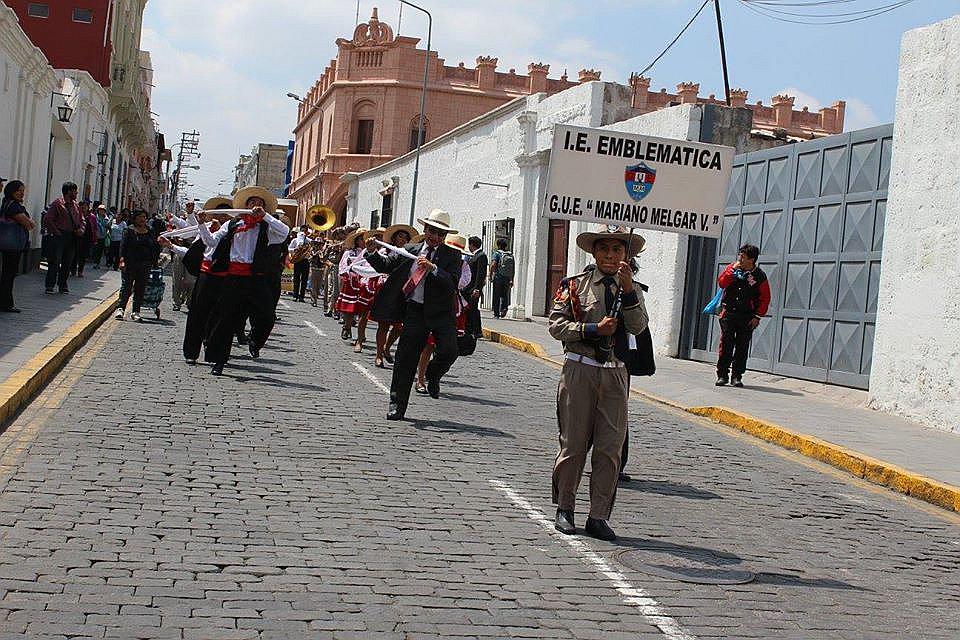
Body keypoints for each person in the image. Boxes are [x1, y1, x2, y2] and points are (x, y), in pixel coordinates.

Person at [549, 228, 648, 542]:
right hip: (580, 371)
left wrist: (629, 291)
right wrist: (593, 328)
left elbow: (638, 326)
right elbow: (556, 325)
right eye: (604, 249)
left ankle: (599, 515)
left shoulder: (632, 288)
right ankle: (565, 507)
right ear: (594, 253)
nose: (610, 255)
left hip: (616, 374)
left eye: (617, 250)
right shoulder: (575, 286)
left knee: (609, 449)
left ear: (626, 255)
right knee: (574, 443)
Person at [364, 209, 463, 421]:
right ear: (425, 230)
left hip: (441, 312)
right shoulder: (409, 249)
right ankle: (397, 404)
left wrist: (433, 268)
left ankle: (433, 374)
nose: (436, 237)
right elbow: (386, 266)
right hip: (415, 310)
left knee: (449, 350)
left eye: (440, 234)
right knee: (405, 359)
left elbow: (452, 282)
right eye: (432, 231)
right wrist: (372, 252)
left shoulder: (452, 255)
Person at [201, 186, 290, 375]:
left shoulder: (267, 227)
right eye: (252, 203)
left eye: (259, 203)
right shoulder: (233, 224)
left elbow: (285, 231)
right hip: (233, 278)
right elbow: (211, 241)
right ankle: (219, 361)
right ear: (245, 205)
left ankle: (255, 341)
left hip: (256, 279)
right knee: (226, 319)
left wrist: (265, 216)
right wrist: (201, 224)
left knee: (267, 315)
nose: (255, 206)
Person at [180, 199, 233, 365]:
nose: (223, 217)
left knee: (219, 316)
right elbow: (204, 239)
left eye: (227, 215)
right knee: (197, 313)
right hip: (207, 273)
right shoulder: (208, 226)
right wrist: (200, 222)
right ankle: (191, 352)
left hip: (226, 275)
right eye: (220, 214)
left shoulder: (235, 228)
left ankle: (213, 352)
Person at [716, 244, 770, 388]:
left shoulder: (759, 276)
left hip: (747, 316)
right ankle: (722, 375)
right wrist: (731, 272)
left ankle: (737, 376)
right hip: (729, 313)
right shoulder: (732, 268)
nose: (740, 258)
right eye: (739, 255)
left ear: (751, 259)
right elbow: (721, 283)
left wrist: (757, 316)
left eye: (743, 256)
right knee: (726, 344)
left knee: (742, 346)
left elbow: (765, 298)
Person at [371, 224, 415, 368]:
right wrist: (372, 252)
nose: (403, 239)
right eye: (400, 236)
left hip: (406, 296)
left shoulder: (413, 253)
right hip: (390, 292)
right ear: (394, 238)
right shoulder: (394, 252)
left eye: (405, 237)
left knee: (399, 327)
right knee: (383, 324)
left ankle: (387, 348)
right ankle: (378, 355)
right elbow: (385, 264)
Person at [114, 210, 160, 322]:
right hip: (130, 264)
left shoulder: (150, 231)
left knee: (140, 288)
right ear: (135, 218)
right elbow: (123, 247)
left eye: (144, 217)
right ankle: (121, 308)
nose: (142, 219)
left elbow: (154, 246)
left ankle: (136, 311)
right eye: (139, 216)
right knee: (126, 287)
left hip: (145, 264)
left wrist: (155, 262)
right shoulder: (128, 230)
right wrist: (121, 260)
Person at [0, 180, 36, 312]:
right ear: (11, 191)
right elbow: (28, 224)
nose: (21, 193)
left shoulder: (7, 204)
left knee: (7, 274)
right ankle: (6, 304)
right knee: (9, 274)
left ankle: (5, 302)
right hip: (12, 246)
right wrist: (30, 221)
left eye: (23, 191)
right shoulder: (13, 206)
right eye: (19, 190)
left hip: (10, 245)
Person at [42, 182, 84, 294]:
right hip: (59, 236)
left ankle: (62, 284)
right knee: (55, 261)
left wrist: (81, 229)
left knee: (67, 262)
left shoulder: (76, 206)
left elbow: (81, 220)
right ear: (69, 191)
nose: (76, 193)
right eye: (75, 191)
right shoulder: (57, 204)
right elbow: (48, 219)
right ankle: (50, 285)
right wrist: (56, 232)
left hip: (72, 236)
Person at [335, 227, 370, 342]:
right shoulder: (349, 253)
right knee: (350, 308)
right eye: (362, 239)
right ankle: (346, 327)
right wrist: (350, 271)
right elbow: (343, 267)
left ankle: (361, 334)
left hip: (365, 284)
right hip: (352, 282)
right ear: (357, 240)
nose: (364, 242)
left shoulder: (371, 253)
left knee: (363, 310)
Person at [463, 236, 488, 338]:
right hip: (469, 288)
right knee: (470, 310)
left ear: (472, 244)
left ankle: (477, 331)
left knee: (473, 310)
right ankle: (470, 329)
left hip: (473, 289)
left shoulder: (481, 256)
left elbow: (480, 274)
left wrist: (477, 288)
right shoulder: (474, 255)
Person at [489, 237, 514, 318]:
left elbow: (493, 264)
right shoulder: (510, 255)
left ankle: (496, 313)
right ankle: (504, 308)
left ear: (498, 245)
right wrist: (511, 279)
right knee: (504, 295)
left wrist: (490, 274)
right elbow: (512, 269)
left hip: (498, 277)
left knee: (496, 295)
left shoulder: (497, 254)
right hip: (507, 278)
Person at [72, 201, 96, 277]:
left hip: (86, 238)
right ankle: (73, 270)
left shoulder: (91, 217)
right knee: (75, 254)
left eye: (85, 207)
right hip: (77, 237)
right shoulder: (76, 215)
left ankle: (80, 271)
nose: (83, 209)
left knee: (83, 256)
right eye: (82, 207)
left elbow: (94, 228)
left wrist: (94, 239)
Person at [288, 225, 310, 302]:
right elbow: (289, 248)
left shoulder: (309, 240)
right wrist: (295, 249)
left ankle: (302, 296)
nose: (303, 232)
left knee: (304, 279)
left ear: (307, 232)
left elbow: (311, 250)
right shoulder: (295, 240)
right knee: (296, 278)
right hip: (297, 260)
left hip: (305, 261)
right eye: (302, 230)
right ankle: (295, 295)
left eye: (305, 231)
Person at [91, 204, 108, 269]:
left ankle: (98, 263)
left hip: (103, 236)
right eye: (100, 210)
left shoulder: (106, 219)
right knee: (96, 250)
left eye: (103, 210)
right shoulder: (95, 218)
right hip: (96, 236)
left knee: (100, 250)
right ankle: (95, 262)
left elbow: (108, 226)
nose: (102, 212)